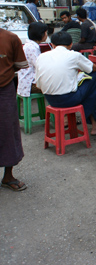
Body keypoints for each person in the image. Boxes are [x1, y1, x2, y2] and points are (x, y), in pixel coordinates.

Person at [35, 31, 96, 135]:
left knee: (82, 86)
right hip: (69, 99)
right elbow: (93, 68)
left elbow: (39, 85)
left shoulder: (41, 57)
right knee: (94, 76)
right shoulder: (74, 55)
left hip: (50, 99)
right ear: (71, 44)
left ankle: (80, 120)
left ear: (52, 45)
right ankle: (94, 124)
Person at [0, 27, 29, 191]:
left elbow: (18, 65)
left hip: (4, 90)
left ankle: (8, 176)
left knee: (8, 131)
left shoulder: (10, 38)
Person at [17, 22, 49, 97]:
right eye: (46, 33)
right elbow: (39, 65)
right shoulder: (31, 48)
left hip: (28, 82)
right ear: (41, 34)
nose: (47, 35)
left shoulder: (30, 45)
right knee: (55, 86)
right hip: (30, 84)